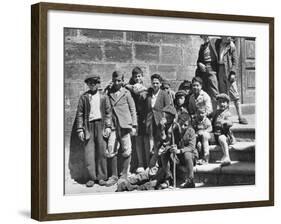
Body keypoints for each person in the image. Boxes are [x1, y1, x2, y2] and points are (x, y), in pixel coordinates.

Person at [68, 75, 112, 187]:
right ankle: (91, 177)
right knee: (89, 152)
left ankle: (102, 177)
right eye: (90, 83)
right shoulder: (84, 97)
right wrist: (80, 129)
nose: (92, 85)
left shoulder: (103, 97)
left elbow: (108, 113)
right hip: (88, 127)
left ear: (98, 84)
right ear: (87, 84)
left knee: (102, 151)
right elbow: (80, 114)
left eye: (94, 83)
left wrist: (108, 126)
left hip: (100, 125)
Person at [105, 70, 137, 186]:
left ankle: (124, 175)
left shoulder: (126, 93)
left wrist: (134, 125)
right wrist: (108, 125)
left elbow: (133, 109)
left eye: (119, 80)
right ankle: (113, 176)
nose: (117, 83)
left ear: (123, 81)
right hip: (114, 125)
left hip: (125, 125)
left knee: (127, 149)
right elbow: (107, 110)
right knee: (110, 148)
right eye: (114, 81)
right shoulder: (109, 93)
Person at [215, 36, 248, 124]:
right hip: (220, 70)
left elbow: (235, 61)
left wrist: (233, 72)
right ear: (223, 36)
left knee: (235, 94)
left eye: (231, 36)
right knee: (223, 94)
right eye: (228, 36)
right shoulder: (217, 43)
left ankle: (240, 116)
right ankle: (225, 117)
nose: (230, 38)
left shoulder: (231, 46)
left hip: (228, 71)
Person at [124, 67, 149, 173]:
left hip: (146, 116)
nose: (137, 78)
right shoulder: (131, 87)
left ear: (142, 76)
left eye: (139, 76)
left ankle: (148, 163)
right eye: (135, 76)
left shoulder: (145, 87)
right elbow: (134, 89)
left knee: (146, 141)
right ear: (133, 77)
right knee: (138, 141)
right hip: (137, 117)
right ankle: (140, 164)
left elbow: (142, 91)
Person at [144, 74, 171, 167]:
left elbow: (168, 108)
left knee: (158, 142)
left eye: (157, 83)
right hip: (149, 120)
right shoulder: (149, 93)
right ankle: (150, 164)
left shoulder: (164, 94)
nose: (155, 85)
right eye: (153, 83)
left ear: (160, 84)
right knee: (150, 142)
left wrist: (164, 119)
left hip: (160, 121)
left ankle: (157, 164)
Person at [211, 93, 236, 166]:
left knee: (221, 138)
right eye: (220, 102)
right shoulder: (216, 112)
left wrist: (225, 122)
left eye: (224, 102)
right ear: (217, 103)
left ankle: (227, 156)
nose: (222, 104)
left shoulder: (227, 113)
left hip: (225, 134)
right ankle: (205, 157)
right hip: (216, 134)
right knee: (205, 137)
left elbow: (231, 122)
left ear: (227, 104)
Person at [196, 35, 219, 112]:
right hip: (203, 70)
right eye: (203, 36)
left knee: (214, 92)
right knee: (204, 91)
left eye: (207, 35)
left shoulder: (216, 43)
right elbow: (198, 60)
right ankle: (206, 113)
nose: (206, 37)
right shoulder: (202, 47)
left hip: (212, 68)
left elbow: (227, 42)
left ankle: (215, 113)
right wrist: (199, 64)